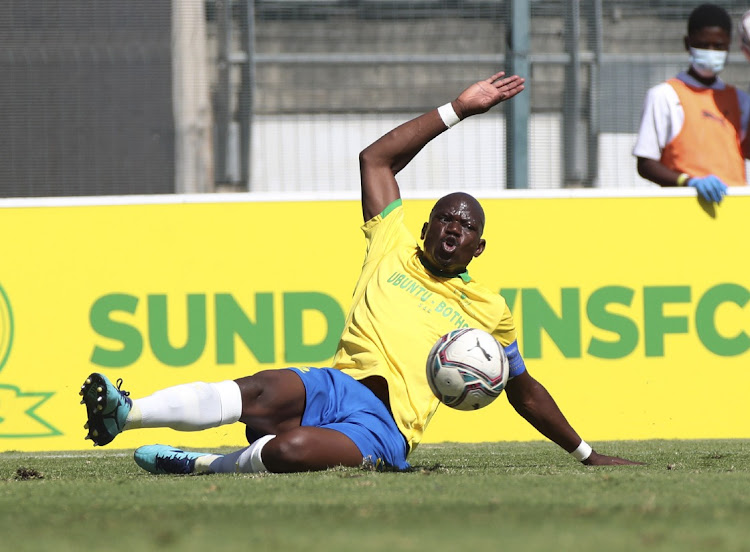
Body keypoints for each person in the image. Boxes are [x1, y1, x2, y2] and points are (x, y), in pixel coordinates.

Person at [80, 71, 640, 474]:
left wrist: (586, 453)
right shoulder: (391, 241)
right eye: (443, 218)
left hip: (384, 429)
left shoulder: (488, 311)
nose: (452, 228)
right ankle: (127, 414)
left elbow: (523, 389)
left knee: (290, 452)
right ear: (423, 228)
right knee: (260, 389)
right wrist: (457, 109)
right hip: (336, 385)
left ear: (478, 246)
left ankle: (202, 465)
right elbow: (375, 159)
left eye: (464, 226)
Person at [633, 3, 750, 204]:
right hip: (686, 210)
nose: (711, 51)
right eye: (704, 45)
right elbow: (645, 164)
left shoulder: (740, 99)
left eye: (718, 46)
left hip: (735, 210)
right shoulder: (664, 96)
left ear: (729, 45)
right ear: (688, 43)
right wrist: (688, 182)